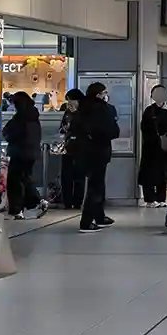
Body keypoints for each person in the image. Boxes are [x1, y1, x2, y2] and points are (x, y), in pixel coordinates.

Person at [73, 82, 120, 233]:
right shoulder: (104, 110)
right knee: (96, 187)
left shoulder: (82, 108)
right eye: (104, 92)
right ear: (99, 95)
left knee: (96, 184)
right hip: (99, 152)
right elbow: (113, 131)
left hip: (83, 152)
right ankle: (86, 222)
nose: (106, 95)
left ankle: (99, 216)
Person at [3, 91, 44, 220]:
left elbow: (9, 133)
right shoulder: (33, 117)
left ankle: (19, 209)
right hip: (32, 154)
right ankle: (36, 202)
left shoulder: (20, 119)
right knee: (25, 179)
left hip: (19, 153)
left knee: (15, 181)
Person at [138, 84, 167, 208]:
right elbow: (144, 127)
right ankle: (149, 198)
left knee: (162, 173)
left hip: (163, 146)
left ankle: (161, 198)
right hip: (150, 146)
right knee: (149, 173)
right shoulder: (149, 110)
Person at [57, 88, 85, 209]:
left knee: (79, 176)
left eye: (71, 100)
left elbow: (84, 128)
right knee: (66, 176)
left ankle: (77, 201)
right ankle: (67, 201)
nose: (69, 103)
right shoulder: (67, 112)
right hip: (67, 147)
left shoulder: (84, 112)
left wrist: (76, 115)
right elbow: (62, 128)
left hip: (81, 148)